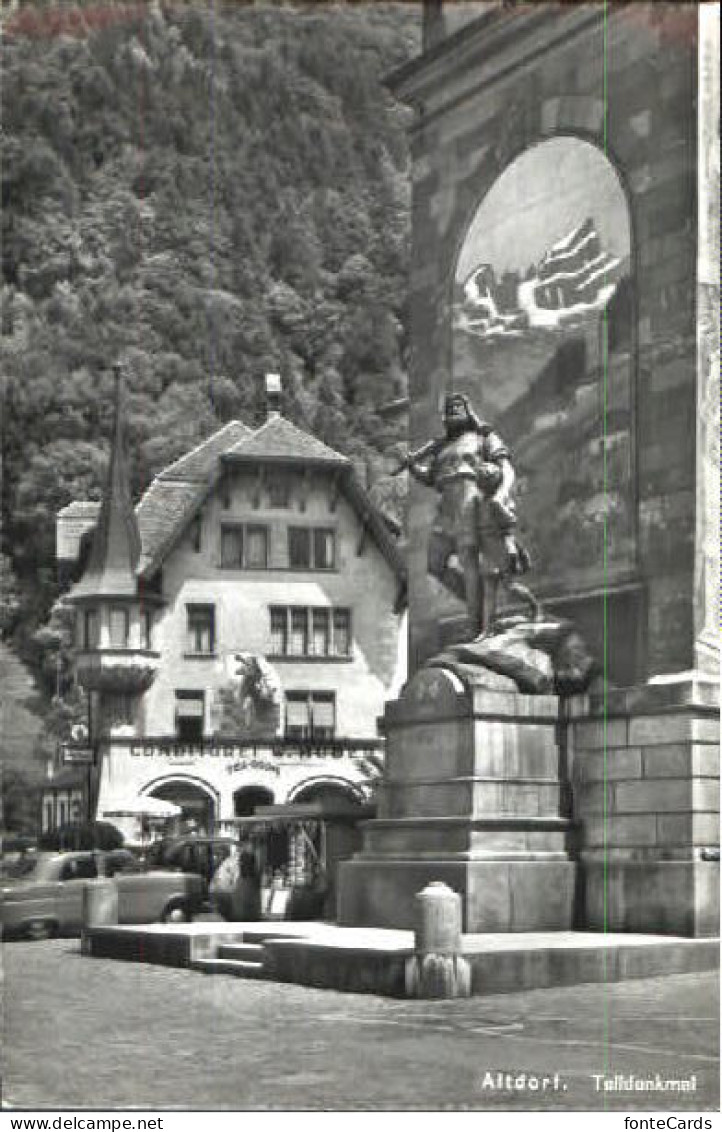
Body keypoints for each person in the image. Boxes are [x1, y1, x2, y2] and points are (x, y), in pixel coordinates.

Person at [405, 391, 529, 638]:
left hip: (468, 498)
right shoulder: (441, 447)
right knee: (434, 563)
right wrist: (411, 466)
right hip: (445, 504)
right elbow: (430, 477)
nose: (454, 410)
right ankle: (477, 603)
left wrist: (500, 496)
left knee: (469, 562)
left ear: (469, 410)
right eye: (450, 407)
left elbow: (507, 468)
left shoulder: (483, 437)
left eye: (459, 406)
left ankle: (474, 625)